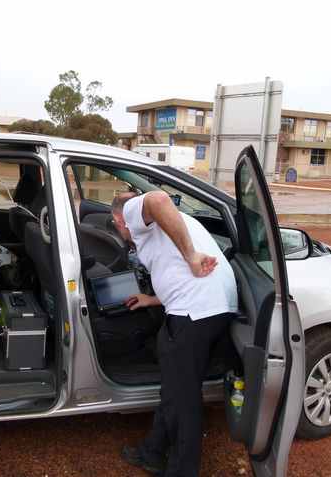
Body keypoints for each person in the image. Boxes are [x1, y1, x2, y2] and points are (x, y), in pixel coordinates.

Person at [112, 191, 237, 476]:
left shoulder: (132, 212)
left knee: (184, 400)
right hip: (214, 308)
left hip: (194, 312)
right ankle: (152, 451)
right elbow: (177, 273)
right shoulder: (178, 222)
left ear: (118, 219)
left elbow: (157, 199)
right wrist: (152, 299)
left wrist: (191, 255)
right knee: (176, 389)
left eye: (117, 228)